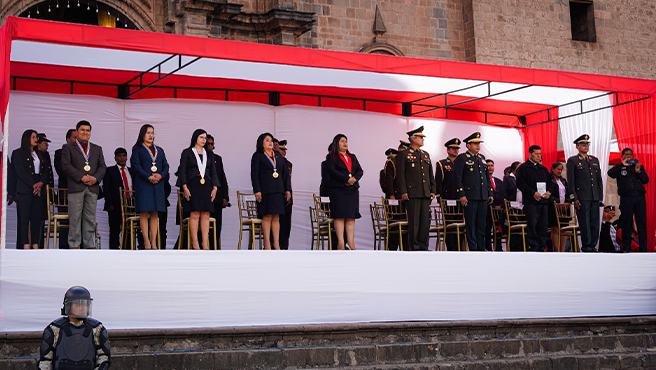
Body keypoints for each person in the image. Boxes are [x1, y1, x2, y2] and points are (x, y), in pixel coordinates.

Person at [38, 286, 111, 370]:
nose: (83, 308)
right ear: (68, 306)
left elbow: (104, 358)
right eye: (78, 305)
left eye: (85, 304)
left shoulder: (96, 329)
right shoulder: (55, 328)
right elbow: (45, 361)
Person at [61, 121, 106, 249]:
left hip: (92, 187)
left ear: (90, 133)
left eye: (88, 130)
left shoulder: (97, 148)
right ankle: (74, 245)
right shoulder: (68, 147)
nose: (85, 132)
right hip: (76, 187)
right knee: (75, 218)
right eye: (82, 130)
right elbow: (66, 165)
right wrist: (81, 177)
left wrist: (95, 178)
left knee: (90, 219)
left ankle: (89, 245)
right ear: (77, 131)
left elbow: (103, 167)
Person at [178, 129, 220, 250]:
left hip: (206, 186)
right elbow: (183, 171)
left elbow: (213, 172)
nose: (204, 140)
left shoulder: (209, 154)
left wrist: (215, 188)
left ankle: (205, 243)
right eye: (201, 137)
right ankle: (195, 243)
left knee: (206, 214)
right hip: (193, 185)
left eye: (205, 138)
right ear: (195, 138)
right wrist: (184, 187)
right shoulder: (187, 152)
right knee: (195, 214)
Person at [130, 124, 170, 250]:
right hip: (144, 184)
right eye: (148, 133)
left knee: (155, 213)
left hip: (157, 185)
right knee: (144, 212)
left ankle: (154, 242)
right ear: (142, 134)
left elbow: (166, 166)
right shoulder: (137, 150)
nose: (151, 135)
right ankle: (146, 242)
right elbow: (136, 166)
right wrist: (148, 176)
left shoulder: (160, 150)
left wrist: (160, 176)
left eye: (153, 133)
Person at [396, 126, 436, 251]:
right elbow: (400, 175)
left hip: (425, 192)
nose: (423, 139)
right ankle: (414, 246)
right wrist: (403, 191)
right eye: (420, 137)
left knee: (425, 221)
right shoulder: (404, 154)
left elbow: (430, 174)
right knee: (414, 222)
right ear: (413, 139)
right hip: (412, 192)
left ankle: (423, 245)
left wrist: (433, 190)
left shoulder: (425, 154)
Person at [251, 132, 292, 250]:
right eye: (267, 140)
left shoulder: (278, 157)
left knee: (276, 218)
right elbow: (254, 175)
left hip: (278, 191)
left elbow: (285, 175)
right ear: (261, 143)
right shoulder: (258, 156)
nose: (270, 143)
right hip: (265, 191)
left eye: (271, 141)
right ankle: (267, 244)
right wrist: (257, 190)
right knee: (267, 217)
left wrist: (287, 189)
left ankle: (276, 244)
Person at [454, 132, 493, 252]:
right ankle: (473, 248)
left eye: (478, 143)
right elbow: (458, 178)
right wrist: (462, 194)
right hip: (470, 196)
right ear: (468, 145)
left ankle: (481, 247)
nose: (478, 146)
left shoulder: (481, 158)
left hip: (482, 196)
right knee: (471, 224)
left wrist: (490, 193)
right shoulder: (462, 158)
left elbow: (487, 177)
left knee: (482, 223)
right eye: (475, 143)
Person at [11, 130, 49, 249]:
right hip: (25, 188)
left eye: (36, 137)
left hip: (38, 188)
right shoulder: (18, 153)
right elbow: (19, 171)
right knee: (24, 217)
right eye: (33, 137)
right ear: (27, 138)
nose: (36, 139)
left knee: (36, 217)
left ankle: (35, 243)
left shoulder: (40, 154)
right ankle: (25, 243)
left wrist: (41, 183)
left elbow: (46, 171)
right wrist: (33, 184)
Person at [566, 134, 604, 253]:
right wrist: (574, 198)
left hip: (594, 196)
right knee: (585, 222)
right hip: (582, 196)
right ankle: (587, 246)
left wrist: (600, 197)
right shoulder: (573, 160)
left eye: (587, 144)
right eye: (583, 144)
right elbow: (571, 181)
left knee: (594, 222)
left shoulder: (594, 160)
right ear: (577, 147)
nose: (586, 146)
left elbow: (599, 180)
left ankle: (593, 245)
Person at [607, 147, 649, 253]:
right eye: (626, 154)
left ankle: (643, 249)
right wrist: (622, 165)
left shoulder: (638, 167)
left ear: (633, 156)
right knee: (627, 223)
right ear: (622, 157)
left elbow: (645, 180)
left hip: (639, 197)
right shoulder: (619, 168)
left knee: (641, 223)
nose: (628, 156)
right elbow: (610, 173)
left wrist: (639, 171)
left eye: (630, 154)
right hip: (626, 198)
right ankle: (626, 248)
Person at [325, 133, 363, 250]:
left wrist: (353, 180)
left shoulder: (353, 156)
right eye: (342, 141)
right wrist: (346, 179)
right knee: (340, 216)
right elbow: (332, 171)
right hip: (338, 190)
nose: (345, 143)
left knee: (351, 217)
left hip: (352, 190)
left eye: (346, 141)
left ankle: (351, 243)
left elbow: (360, 170)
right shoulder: (331, 157)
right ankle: (341, 243)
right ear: (337, 143)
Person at [515, 145, 551, 252]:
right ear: (530, 154)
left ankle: (541, 246)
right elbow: (520, 184)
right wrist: (532, 193)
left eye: (540, 154)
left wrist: (549, 192)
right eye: (536, 154)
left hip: (543, 201)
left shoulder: (543, 169)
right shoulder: (523, 168)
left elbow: (551, 184)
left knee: (543, 225)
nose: (539, 156)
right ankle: (533, 247)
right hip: (531, 201)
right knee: (532, 225)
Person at [103, 148, 134, 249]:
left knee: (129, 229)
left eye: (124, 155)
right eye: (119, 156)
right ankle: (114, 251)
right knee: (114, 230)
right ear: (115, 158)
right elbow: (106, 188)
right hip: (115, 205)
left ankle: (128, 249)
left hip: (130, 204)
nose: (122, 158)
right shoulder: (110, 171)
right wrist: (109, 203)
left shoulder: (132, 171)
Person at [53, 129, 77, 249]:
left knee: (79, 222)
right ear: (68, 139)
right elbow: (62, 171)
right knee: (65, 223)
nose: (77, 140)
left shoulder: (84, 153)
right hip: (65, 194)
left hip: (80, 193)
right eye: (74, 138)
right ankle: (64, 249)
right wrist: (79, 178)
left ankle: (80, 247)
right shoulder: (60, 153)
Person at [206, 135, 230, 247]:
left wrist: (225, 197)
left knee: (217, 224)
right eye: (208, 143)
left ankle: (214, 247)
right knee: (204, 225)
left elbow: (222, 178)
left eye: (212, 144)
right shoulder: (199, 157)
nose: (210, 146)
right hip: (204, 197)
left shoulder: (218, 159)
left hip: (217, 197)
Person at [547, 161, 572, 252]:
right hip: (554, 207)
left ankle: (562, 249)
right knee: (555, 228)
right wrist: (557, 202)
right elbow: (548, 194)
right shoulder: (549, 180)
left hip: (564, 208)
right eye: (558, 169)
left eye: (561, 170)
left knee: (564, 229)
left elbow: (568, 193)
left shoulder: (563, 181)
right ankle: (556, 249)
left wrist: (567, 202)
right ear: (553, 169)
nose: (560, 171)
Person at [485, 158, 505, 251]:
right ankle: (488, 249)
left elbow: (503, 195)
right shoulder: (483, 181)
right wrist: (493, 206)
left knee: (498, 231)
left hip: (499, 211)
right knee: (487, 231)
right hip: (488, 210)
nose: (490, 168)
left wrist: (500, 206)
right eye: (488, 166)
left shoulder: (499, 181)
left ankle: (498, 249)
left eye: (491, 166)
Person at [278, 140, 293, 250]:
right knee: (277, 223)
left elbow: (288, 181)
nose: (284, 152)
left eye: (284, 150)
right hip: (277, 196)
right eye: (281, 149)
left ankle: (284, 247)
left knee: (286, 225)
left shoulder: (288, 164)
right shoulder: (274, 162)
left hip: (287, 196)